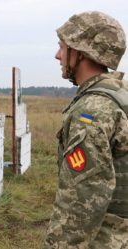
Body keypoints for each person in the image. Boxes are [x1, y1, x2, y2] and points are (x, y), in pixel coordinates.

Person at [44, 11, 128, 248]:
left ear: (80, 53)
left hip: (105, 238)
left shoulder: (92, 110)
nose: (57, 55)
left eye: (63, 47)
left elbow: (82, 197)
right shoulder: (120, 95)